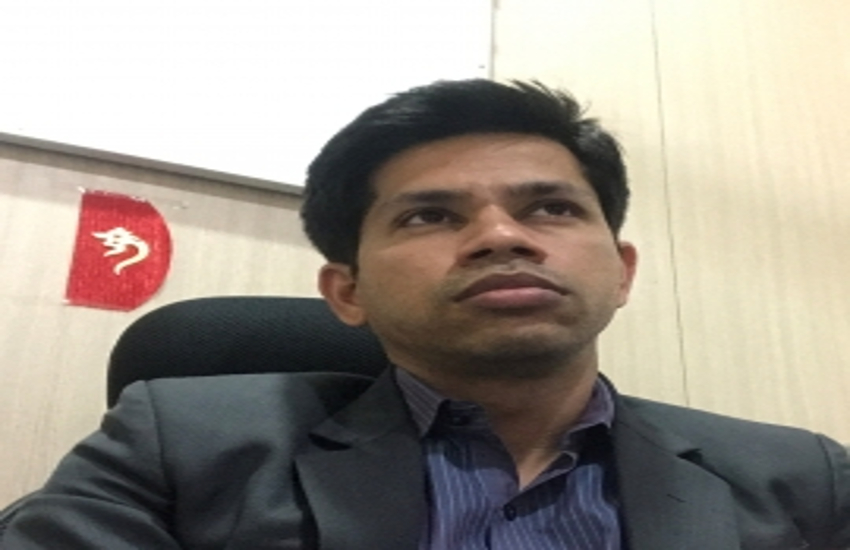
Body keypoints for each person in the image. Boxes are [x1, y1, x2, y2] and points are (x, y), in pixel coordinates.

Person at [4, 79, 849, 549]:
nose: (502, 237)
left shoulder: (802, 478)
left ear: (621, 272)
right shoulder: (182, 442)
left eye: (552, 208)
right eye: (430, 215)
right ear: (347, 290)